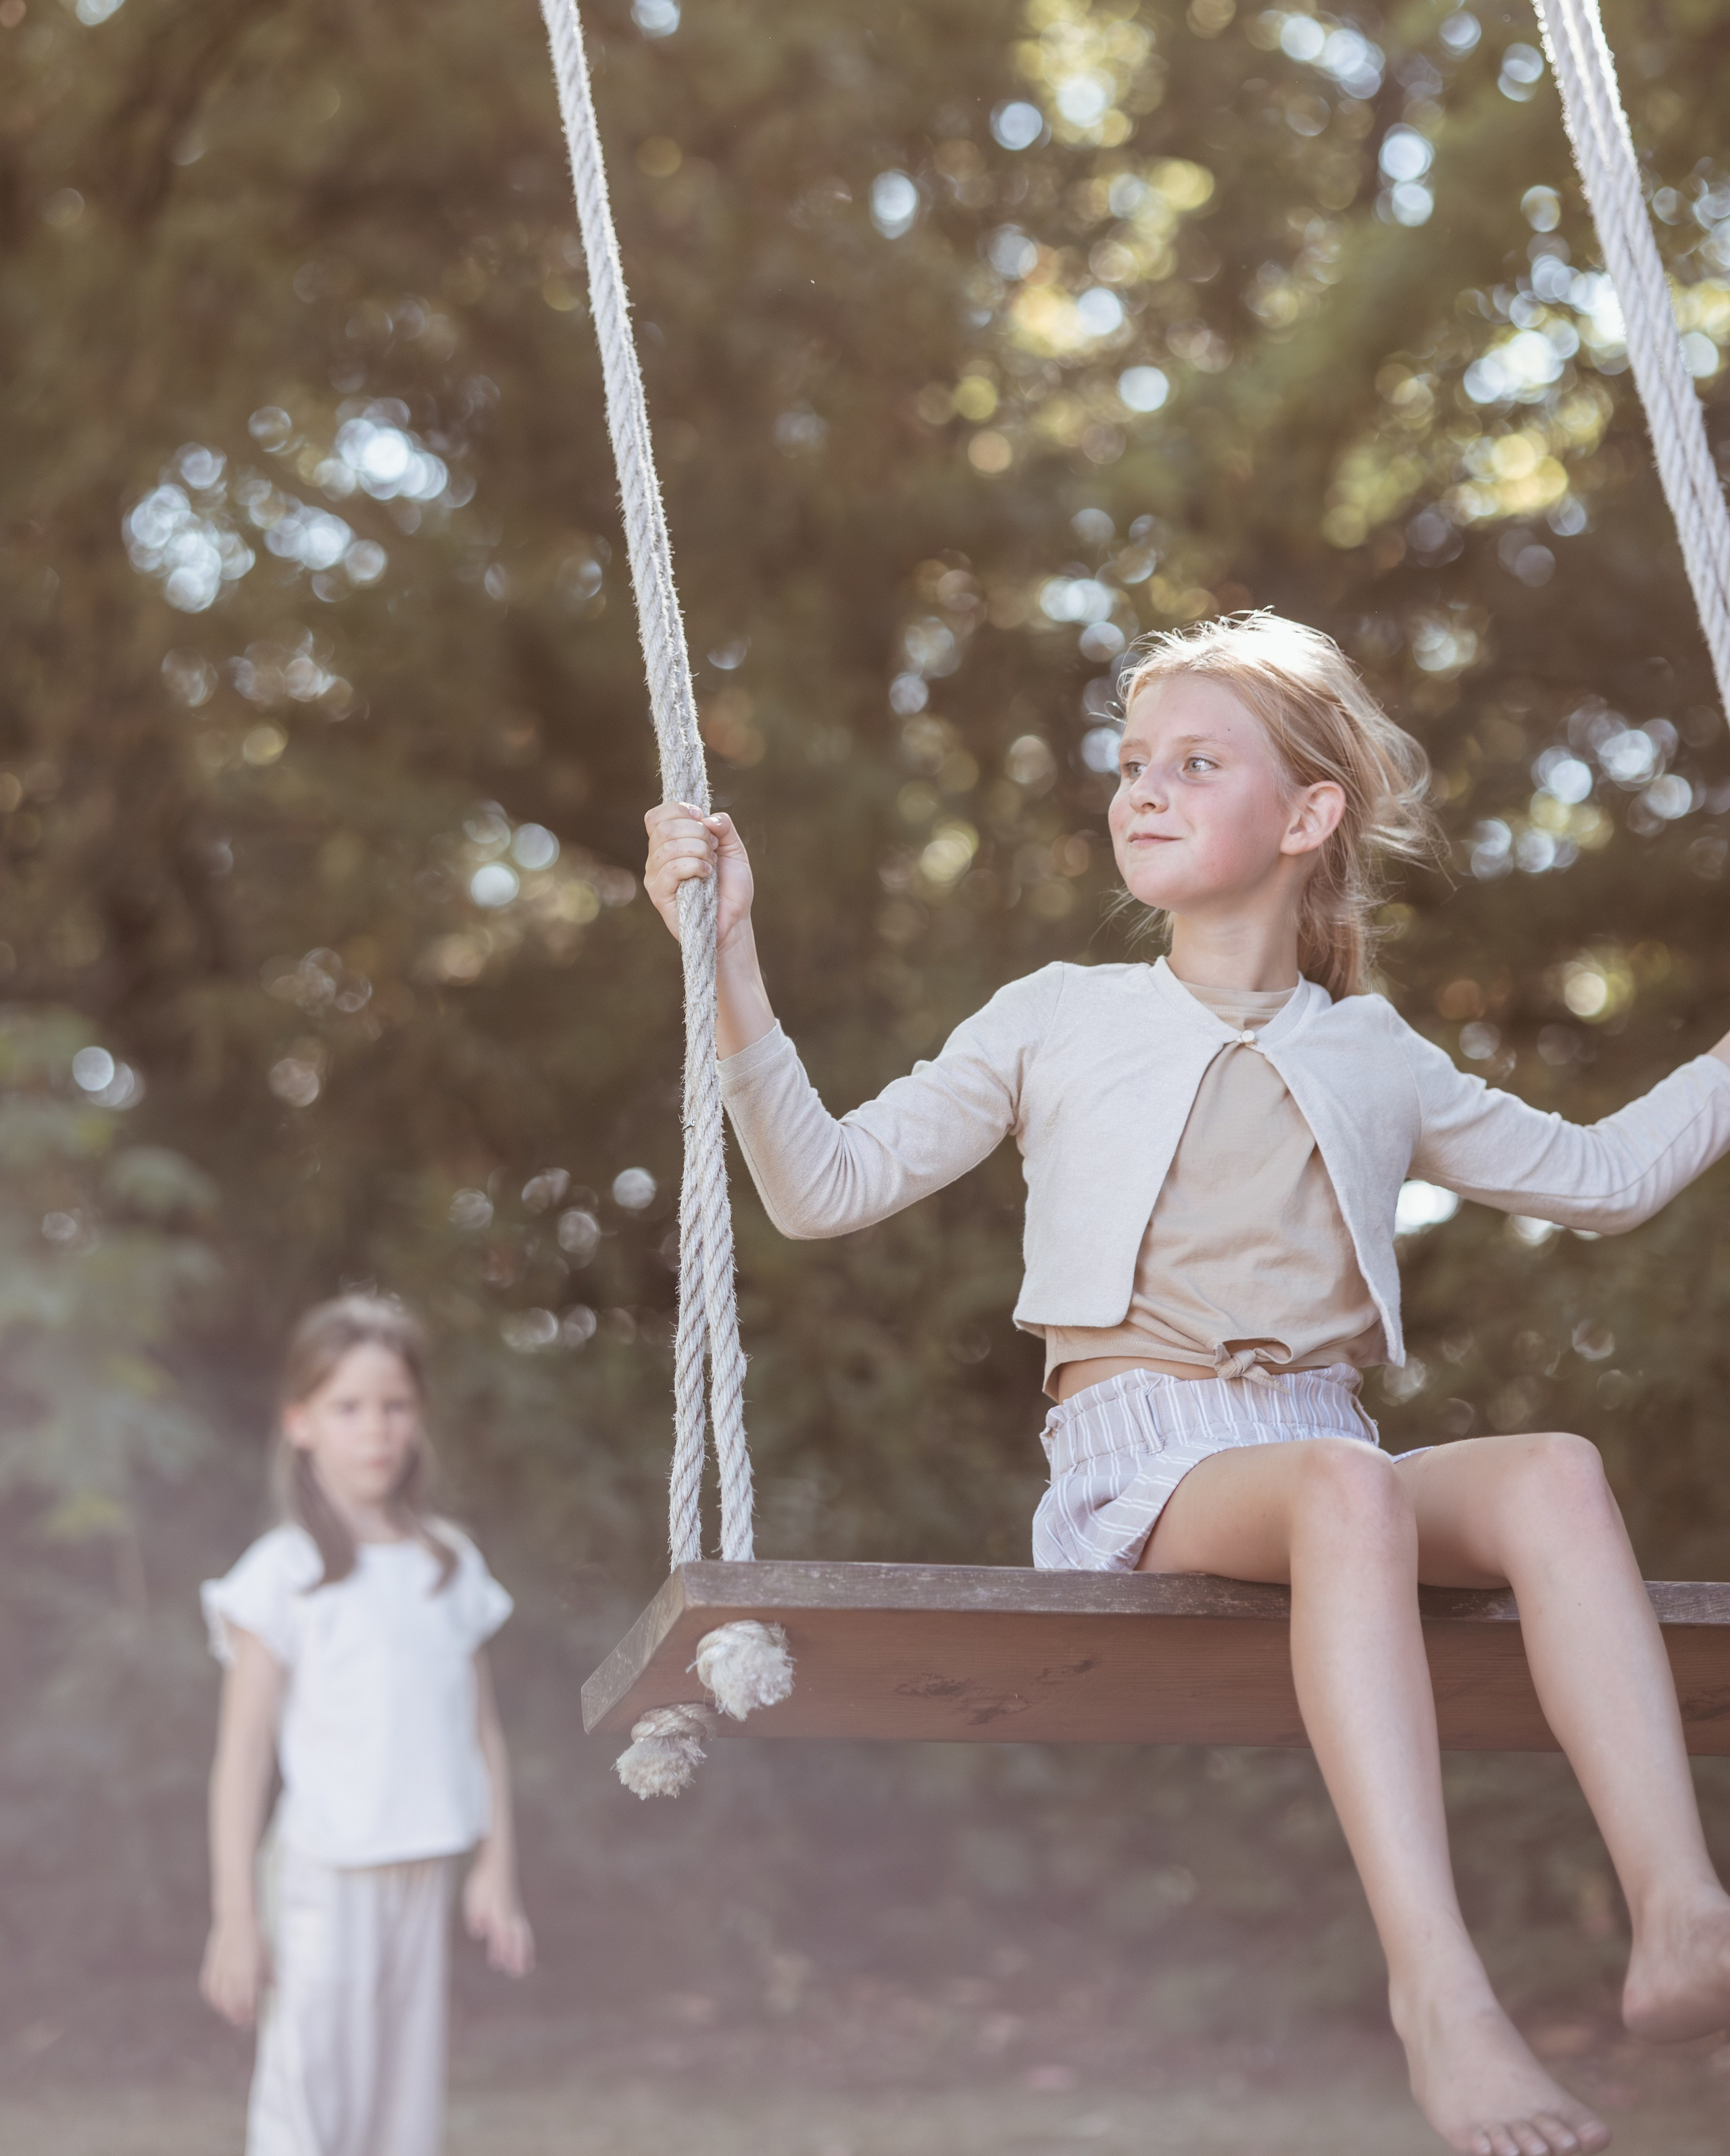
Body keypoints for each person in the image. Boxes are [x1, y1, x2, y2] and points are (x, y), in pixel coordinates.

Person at [644, 612, 1730, 2156]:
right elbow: (821, 1186)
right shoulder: (1056, 1018)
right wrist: (729, 951)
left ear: (1303, 817)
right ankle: (1437, 1990)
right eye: (1130, 763)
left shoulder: (1373, 1053)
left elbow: (1610, 1176)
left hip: (1317, 1457)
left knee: (1551, 1466)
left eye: (1193, 763)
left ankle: (1682, 1908)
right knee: (1345, 1488)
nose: (1140, 789)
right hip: (1139, 1464)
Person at [199, 1294, 533, 2156]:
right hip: (323, 1879)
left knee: (402, 2116)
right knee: (311, 2109)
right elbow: (240, 1762)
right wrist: (236, 1917)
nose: (375, 1429)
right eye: (348, 1408)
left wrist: (496, 1864)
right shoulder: (282, 1574)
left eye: (394, 1406)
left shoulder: (446, 1564)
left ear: (418, 1418)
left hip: (424, 1866)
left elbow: (482, 1732)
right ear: (301, 1422)